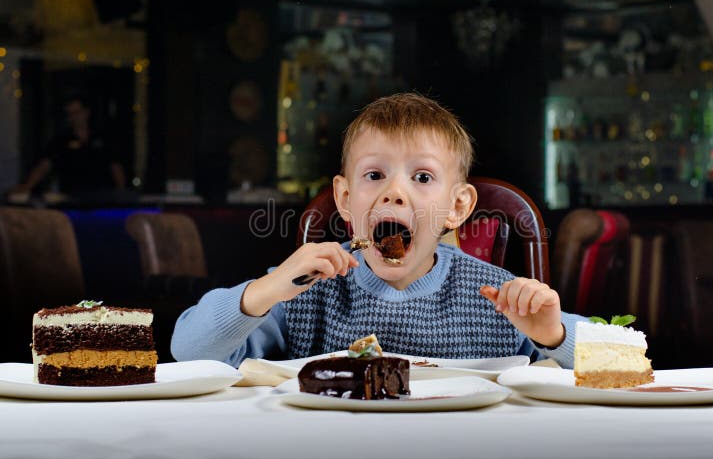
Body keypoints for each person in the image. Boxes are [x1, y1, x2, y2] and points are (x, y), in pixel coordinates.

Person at [171, 92, 586, 367]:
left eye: (422, 178)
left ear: (457, 207)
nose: (394, 192)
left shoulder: (498, 297)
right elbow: (188, 350)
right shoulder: (306, 291)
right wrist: (267, 288)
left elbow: (617, 356)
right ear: (346, 199)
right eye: (374, 174)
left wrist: (554, 334)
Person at [13, 95, 125, 197]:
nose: (74, 117)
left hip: (101, 195)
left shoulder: (102, 137)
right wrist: (27, 186)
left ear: (86, 112)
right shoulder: (61, 140)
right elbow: (44, 164)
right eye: (70, 114)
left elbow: (115, 165)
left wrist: (121, 191)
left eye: (77, 112)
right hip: (71, 195)